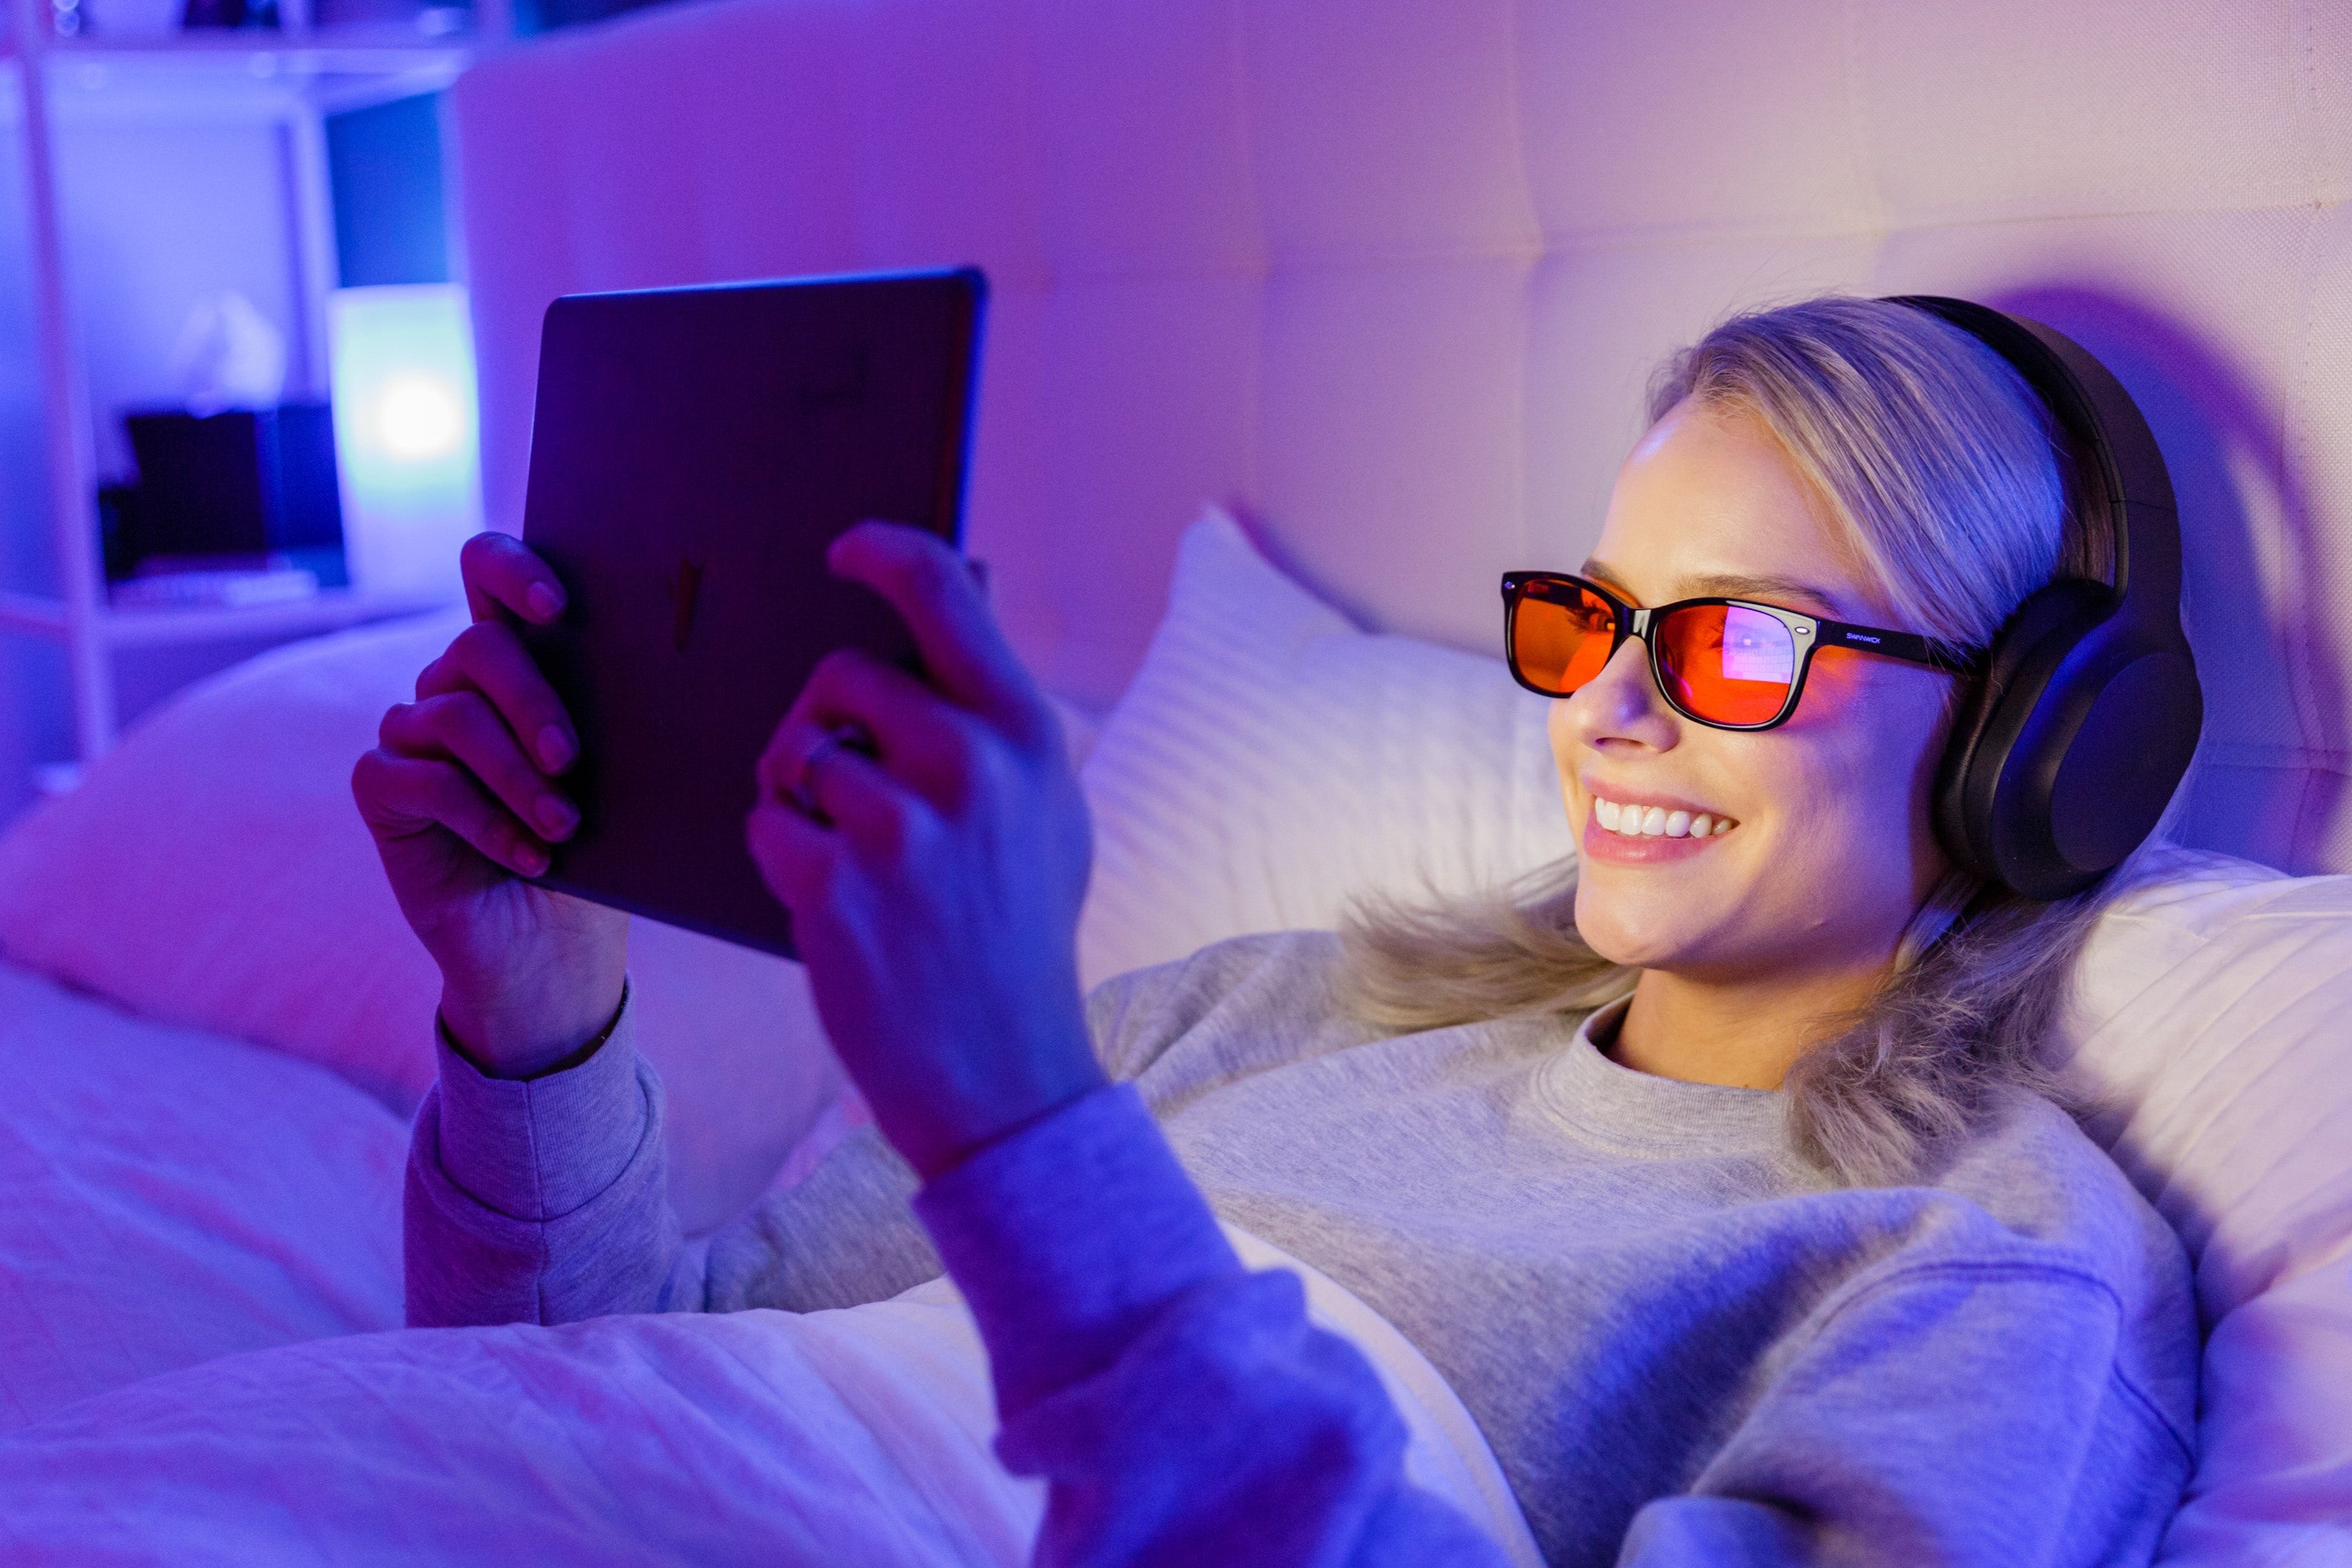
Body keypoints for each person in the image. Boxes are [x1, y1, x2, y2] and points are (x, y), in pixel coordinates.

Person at [352, 296, 2198, 1566]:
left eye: (1733, 641)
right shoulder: (1273, 1002)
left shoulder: (1976, 1264)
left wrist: (1023, 1123)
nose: (1604, 709)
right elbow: (605, 1382)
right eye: (1592, 618)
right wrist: (538, 1002)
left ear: (2028, 738)